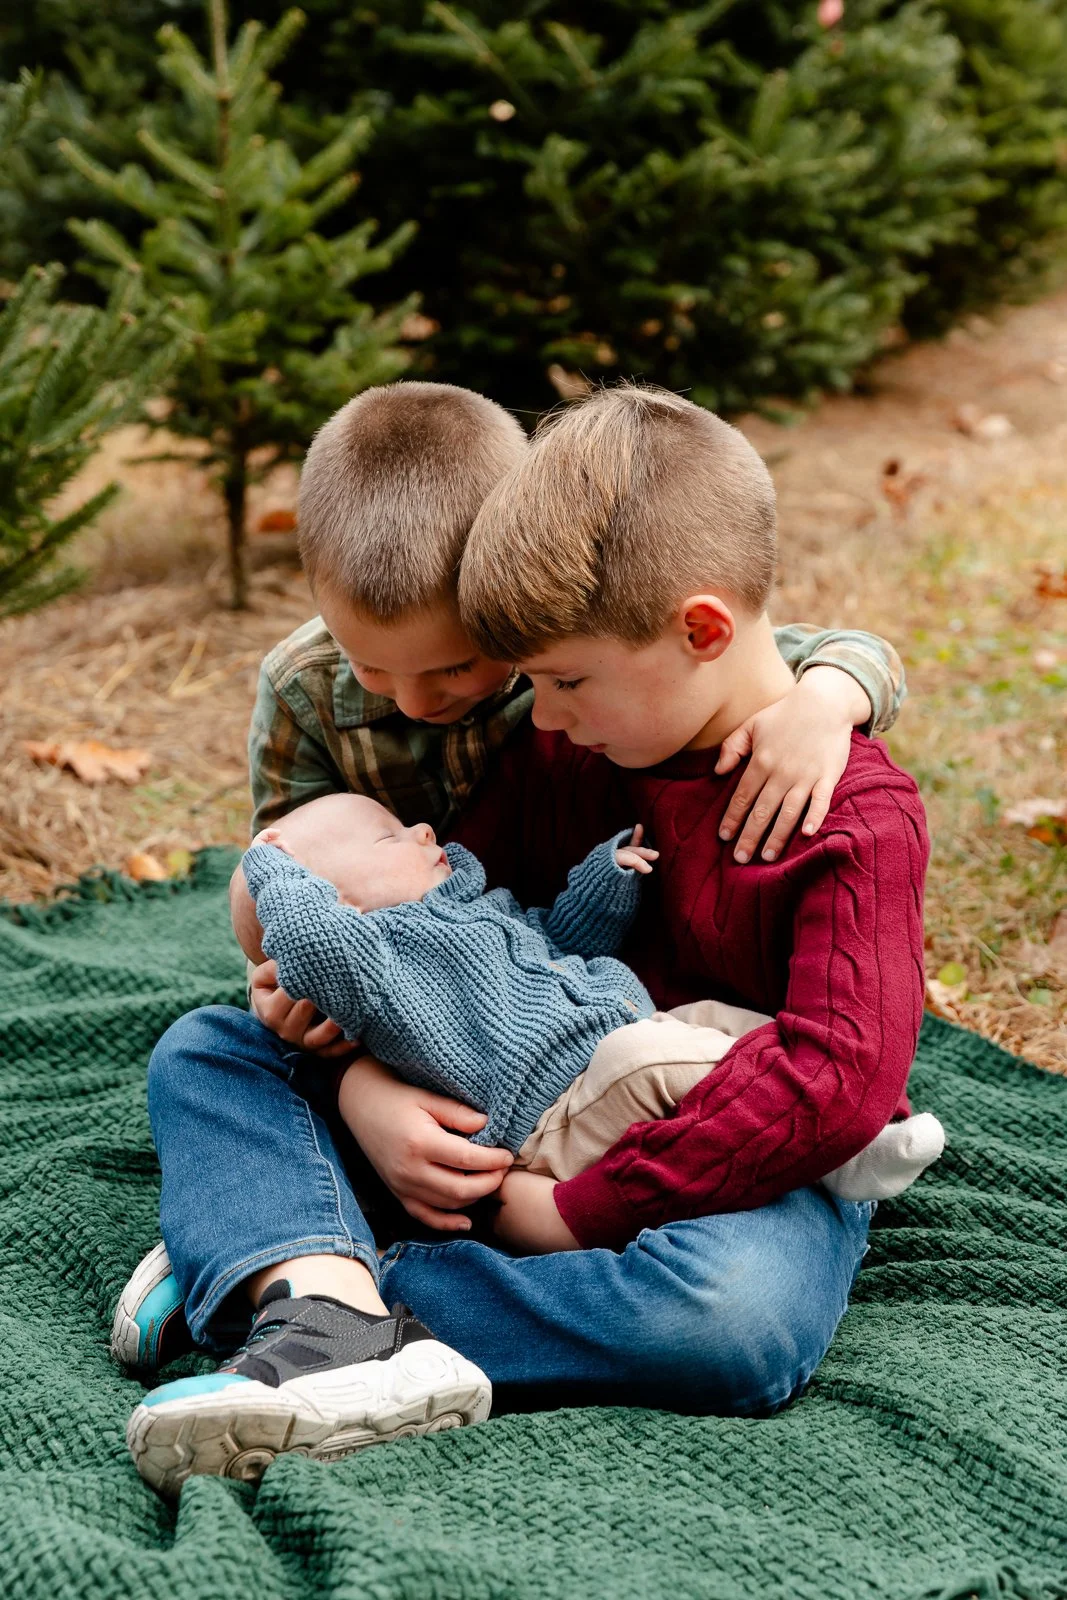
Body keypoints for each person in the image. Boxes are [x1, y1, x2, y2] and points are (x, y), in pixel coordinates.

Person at [116, 380, 926, 1498]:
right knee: (208, 1050)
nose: (534, 716)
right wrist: (366, 1085)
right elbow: (458, 928)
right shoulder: (578, 738)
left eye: (557, 681)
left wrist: (568, 1212)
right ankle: (304, 1281)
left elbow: (830, 1082)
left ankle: (293, 1272)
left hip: (708, 1146)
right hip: (501, 1082)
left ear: (692, 633)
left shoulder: (849, 812)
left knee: (733, 1318)